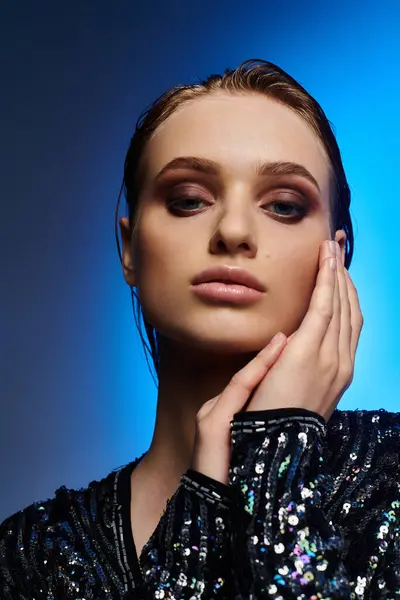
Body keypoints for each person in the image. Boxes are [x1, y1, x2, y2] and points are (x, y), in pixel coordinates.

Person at [1, 58, 399, 600]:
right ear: (128, 248)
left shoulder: (390, 476)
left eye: (283, 205)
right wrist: (204, 504)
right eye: (188, 200)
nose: (233, 231)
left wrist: (270, 457)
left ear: (338, 255)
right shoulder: (30, 556)